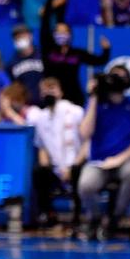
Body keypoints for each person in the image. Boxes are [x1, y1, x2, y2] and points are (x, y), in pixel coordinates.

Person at [77, 65, 130, 240]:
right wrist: (93, 97)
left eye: (121, 77)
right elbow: (85, 133)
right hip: (99, 161)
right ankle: (95, 219)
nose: (116, 81)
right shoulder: (97, 105)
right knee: (86, 184)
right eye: (113, 77)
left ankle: (116, 217)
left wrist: (119, 159)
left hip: (125, 159)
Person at [27, 77, 85, 230]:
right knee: (39, 171)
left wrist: (73, 165)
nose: (48, 92)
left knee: (79, 171)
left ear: (60, 92)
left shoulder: (76, 112)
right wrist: (46, 165)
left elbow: (87, 142)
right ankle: (49, 214)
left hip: (76, 163)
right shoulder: (41, 117)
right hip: (55, 168)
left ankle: (77, 216)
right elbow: (42, 147)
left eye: (51, 88)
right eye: (44, 90)